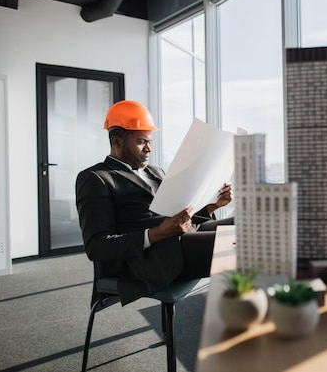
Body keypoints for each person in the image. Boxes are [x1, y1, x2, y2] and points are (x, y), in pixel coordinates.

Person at [76, 100, 232, 305]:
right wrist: (157, 234)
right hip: (153, 258)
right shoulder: (96, 178)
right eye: (141, 142)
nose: (149, 148)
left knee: (247, 226)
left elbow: (178, 214)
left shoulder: (156, 171)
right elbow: (96, 246)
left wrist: (213, 206)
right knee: (239, 244)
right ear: (117, 141)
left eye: (149, 141)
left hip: (185, 236)